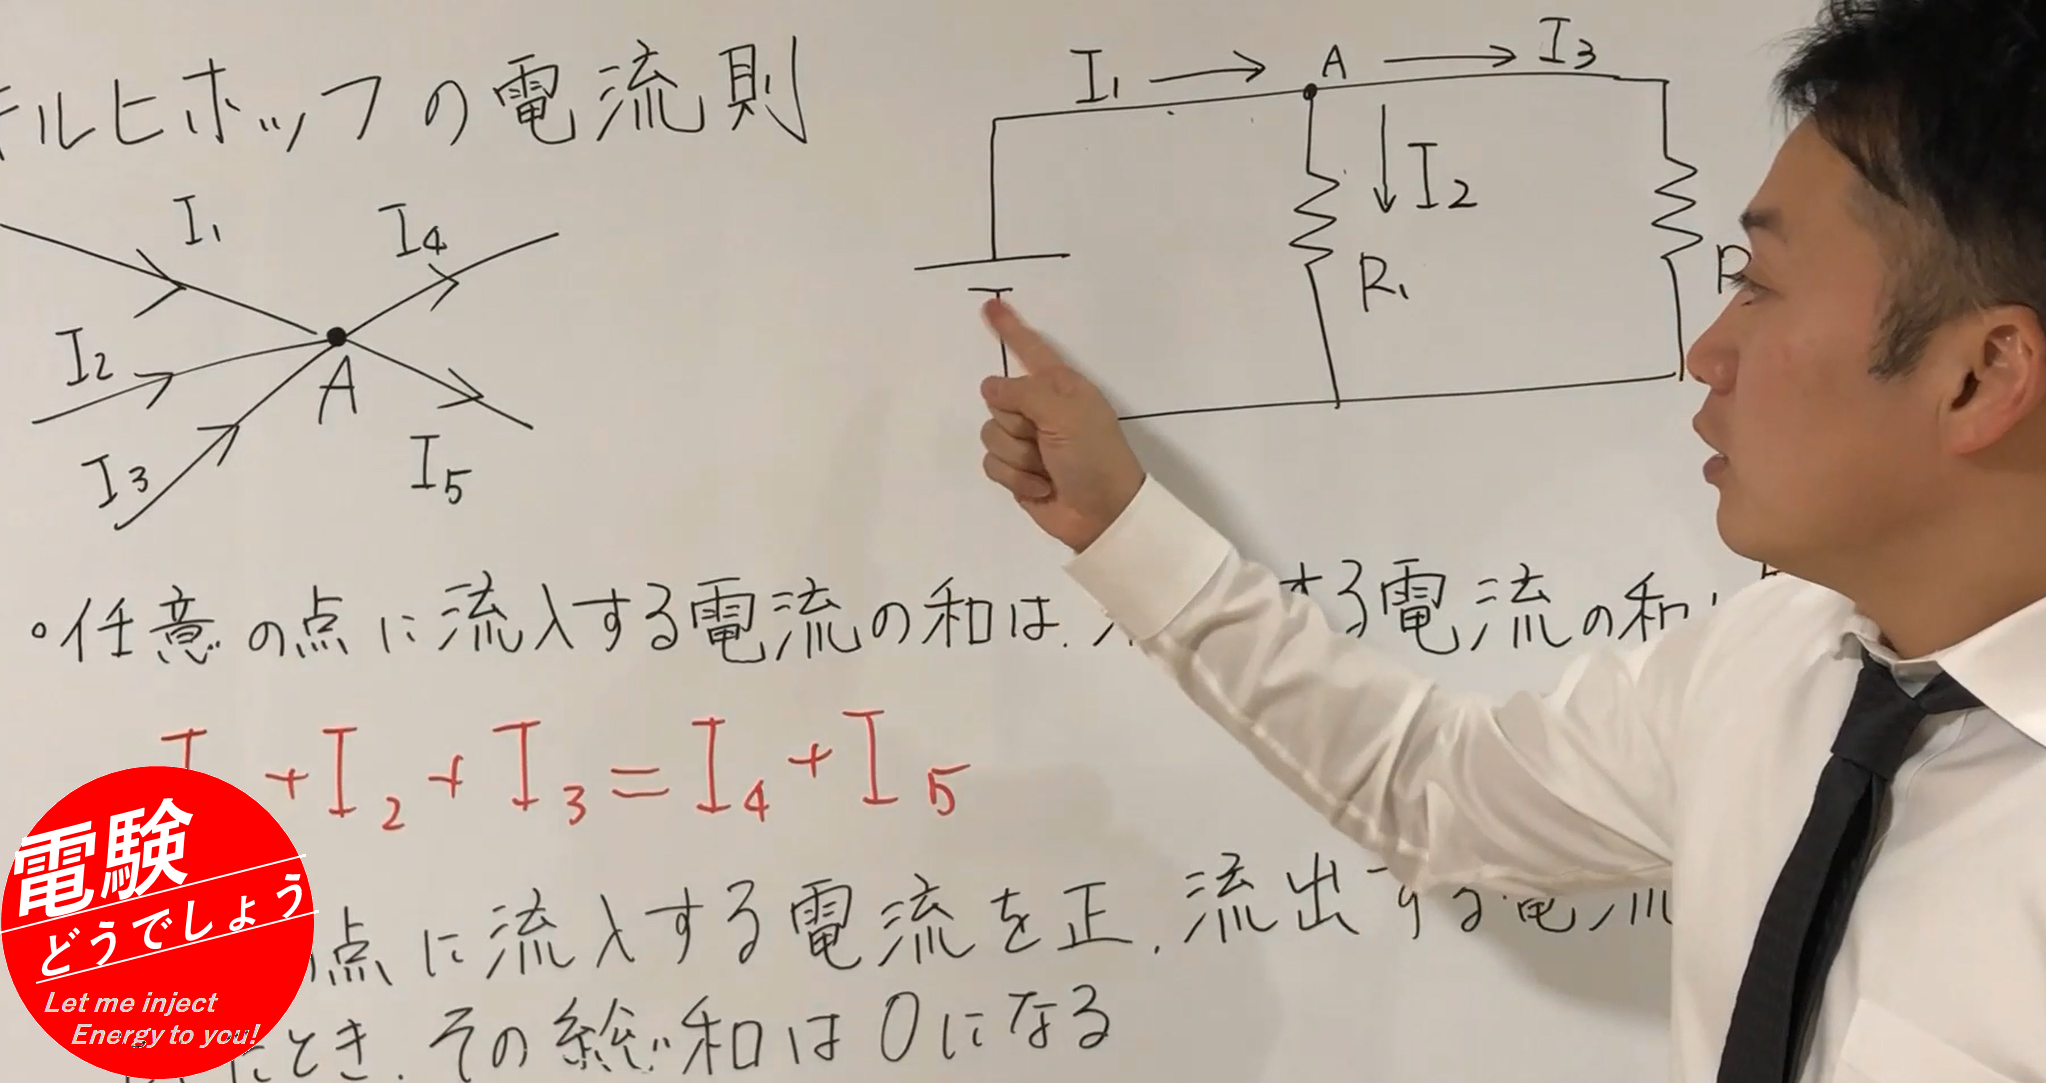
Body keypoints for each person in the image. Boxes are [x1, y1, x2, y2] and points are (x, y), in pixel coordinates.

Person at [972, 2, 2046, 1081]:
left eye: (1757, 285)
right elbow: (1435, 788)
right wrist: (1125, 527)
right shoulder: (1773, 667)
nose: (1708, 351)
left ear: (1981, 375)